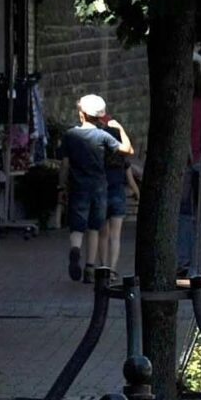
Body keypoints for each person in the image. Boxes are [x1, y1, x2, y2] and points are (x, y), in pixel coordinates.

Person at [60, 92, 135, 281]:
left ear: (81, 114)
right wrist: (120, 129)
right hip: (100, 187)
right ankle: (91, 268)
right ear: (100, 116)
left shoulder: (70, 135)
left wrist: (61, 185)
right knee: (95, 226)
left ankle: (75, 249)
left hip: (78, 186)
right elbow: (128, 150)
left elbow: (65, 164)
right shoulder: (102, 136)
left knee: (77, 227)